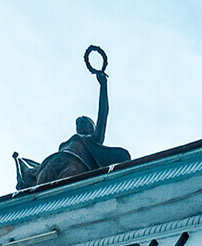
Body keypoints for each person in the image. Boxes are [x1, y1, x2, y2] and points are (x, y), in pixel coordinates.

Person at [14, 49, 133, 190]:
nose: (80, 123)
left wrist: (103, 86)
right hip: (51, 163)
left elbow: (103, 113)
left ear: (92, 127)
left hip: (75, 164)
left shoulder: (94, 139)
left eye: (84, 121)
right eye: (78, 122)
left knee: (65, 192)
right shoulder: (64, 144)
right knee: (38, 194)